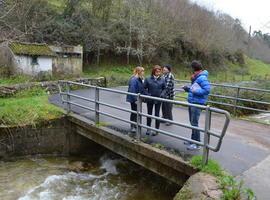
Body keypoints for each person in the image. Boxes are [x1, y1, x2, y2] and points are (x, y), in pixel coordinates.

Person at [183, 60, 211, 150]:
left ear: (195, 69)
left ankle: (197, 144)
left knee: (194, 123)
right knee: (192, 122)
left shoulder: (202, 78)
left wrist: (194, 91)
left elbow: (207, 90)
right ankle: (192, 140)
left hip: (197, 103)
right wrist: (188, 89)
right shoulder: (197, 77)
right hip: (192, 102)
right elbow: (193, 89)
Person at [144, 65, 166, 136]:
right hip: (150, 99)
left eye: (159, 71)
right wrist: (147, 94)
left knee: (157, 115)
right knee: (149, 114)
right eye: (157, 71)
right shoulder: (148, 79)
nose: (158, 73)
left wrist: (162, 94)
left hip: (158, 99)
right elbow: (143, 88)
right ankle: (148, 129)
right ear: (153, 71)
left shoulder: (162, 79)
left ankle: (156, 130)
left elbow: (165, 88)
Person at [126, 66, 145, 135]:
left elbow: (142, 88)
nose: (143, 73)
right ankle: (132, 126)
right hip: (134, 99)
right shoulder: (134, 79)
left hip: (138, 98)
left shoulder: (139, 78)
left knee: (137, 112)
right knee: (134, 112)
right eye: (142, 71)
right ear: (138, 72)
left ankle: (136, 125)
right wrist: (135, 99)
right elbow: (132, 90)